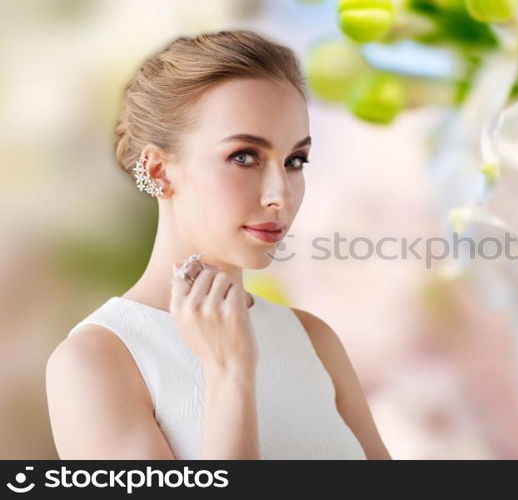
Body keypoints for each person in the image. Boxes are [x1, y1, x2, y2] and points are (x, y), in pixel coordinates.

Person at [45, 30, 391, 460]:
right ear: (158, 170)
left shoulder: (312, 339)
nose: (280, 194)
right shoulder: (96, 361)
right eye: (244, 156)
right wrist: (229, 375)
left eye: (294, 161)